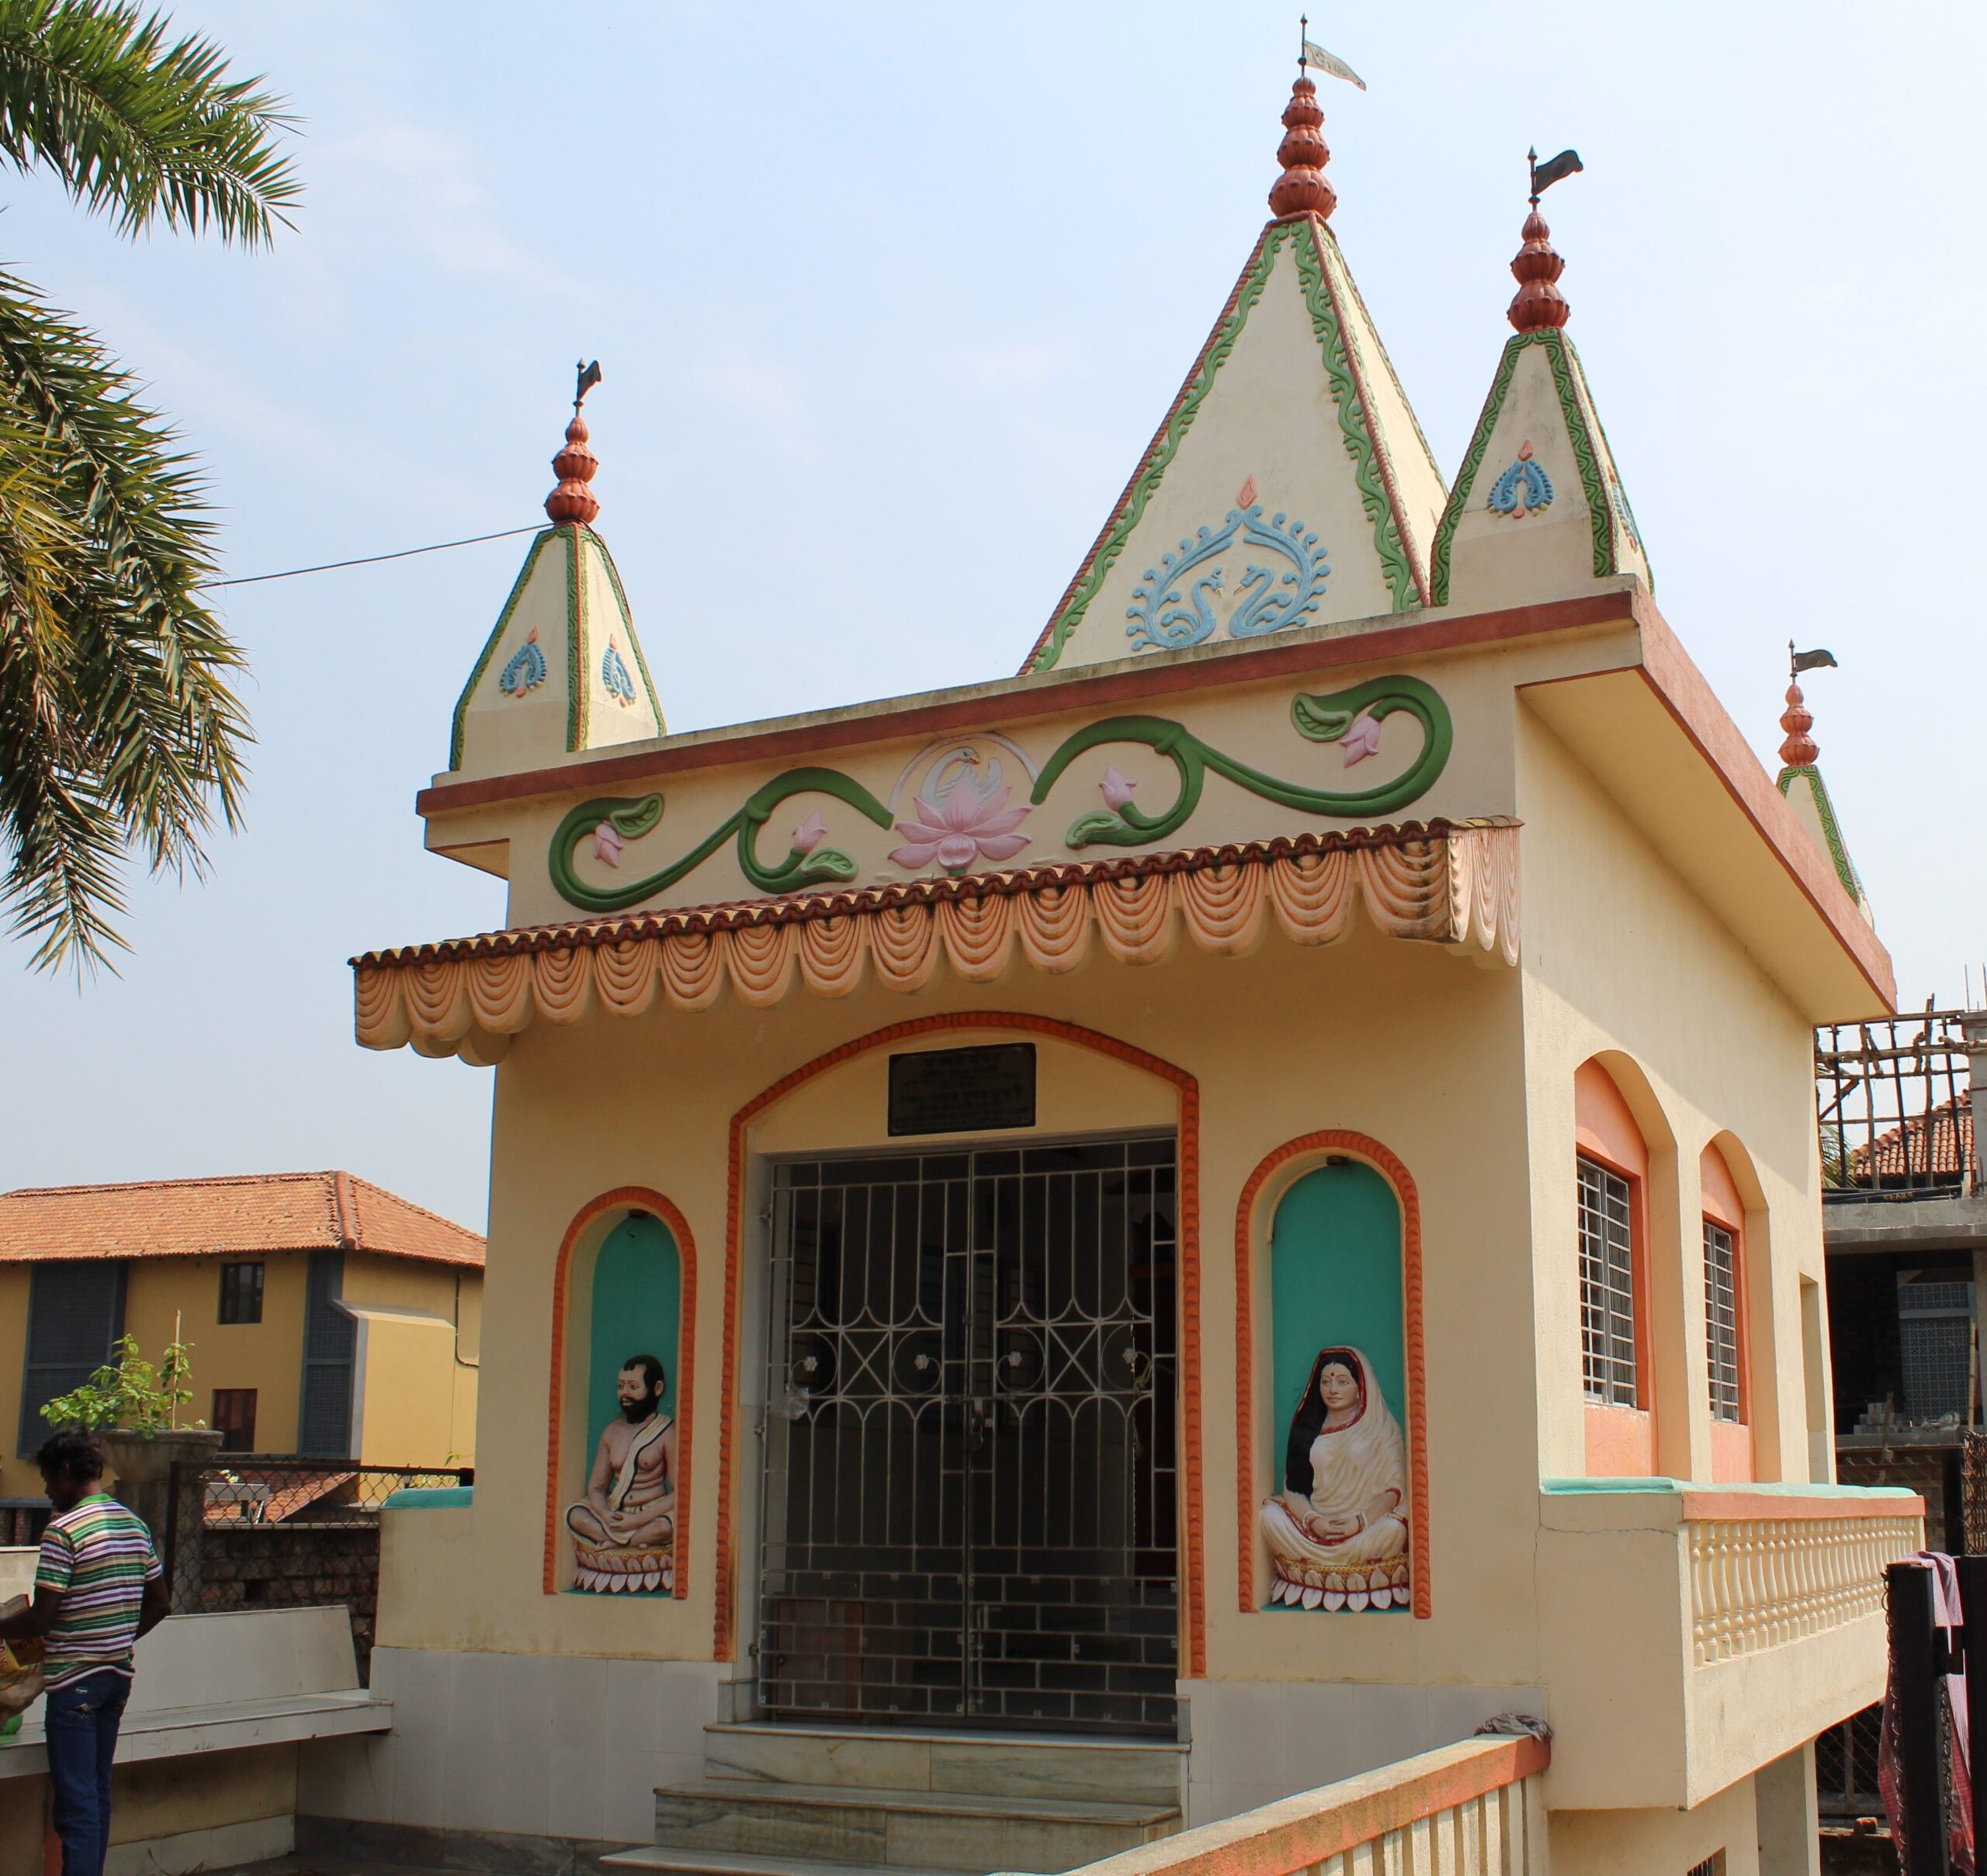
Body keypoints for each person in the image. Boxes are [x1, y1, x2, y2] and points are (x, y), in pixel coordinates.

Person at [0, 1429, 169, 1874]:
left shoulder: (64, 1529)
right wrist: (114, 1640)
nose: (45, 1491)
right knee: (95, 1795)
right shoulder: (133, 1524)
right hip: (116, 1681)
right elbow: (161, 1603)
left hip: (75, 1688)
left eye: (48, 1480)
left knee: (75, 1806)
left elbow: (42, 1619)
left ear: (67, 1472)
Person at [1258, 1346, 1412, 1611]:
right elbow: (1293, 1490)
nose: (1333, 1389)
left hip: (1363, 1530)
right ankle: (1336, 1570)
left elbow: (1394, 1489)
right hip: (1314, 1528)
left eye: (1343, 1382)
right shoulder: (1307, 1430)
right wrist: (1313, 1521)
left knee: (1394, 1531)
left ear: (1360, 1386)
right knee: (1268, 1516)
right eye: (1326, 1382)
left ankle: (1326, 1571)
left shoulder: (1382, 1429)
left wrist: (1360, 1522)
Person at [564, 1354, 677, 1592]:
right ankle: (629, 1545)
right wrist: (605, 1515)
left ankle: (615, 1546)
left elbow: (679, 1493)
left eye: (634, 1387)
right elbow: (596, 1488)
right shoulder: (611, 1432)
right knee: (575, 1514)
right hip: (615, 1514)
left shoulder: (667, 1432)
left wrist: (637, 1520)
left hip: (649, 1515)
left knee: (667, 1527)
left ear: (657, 1388)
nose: (625, 1394)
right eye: (621, 1386)